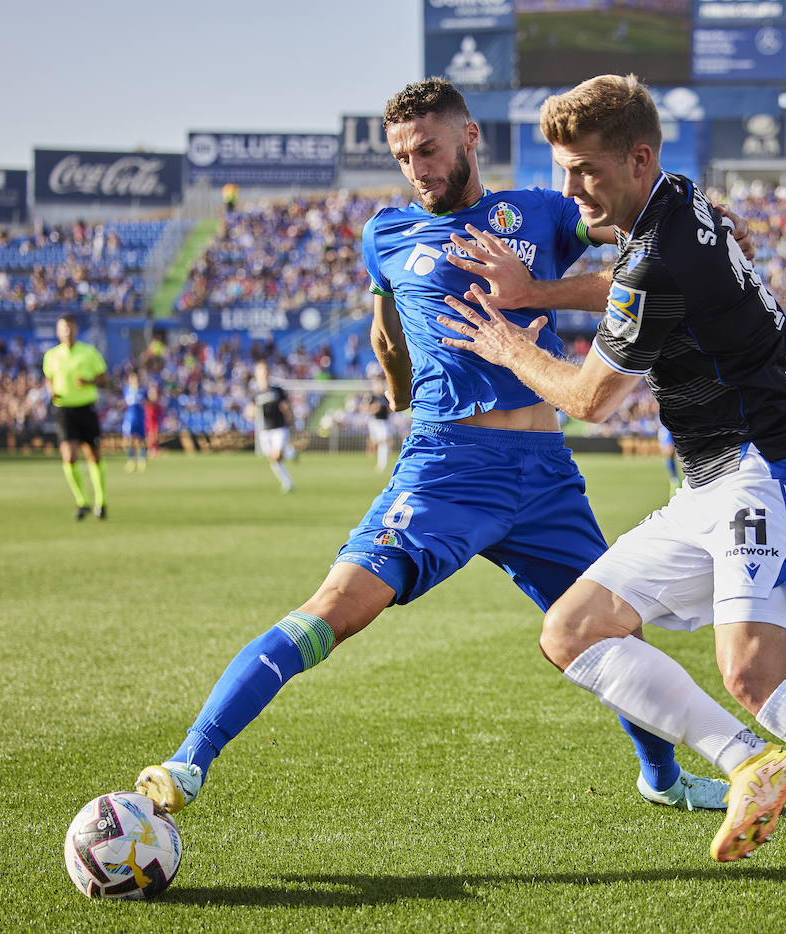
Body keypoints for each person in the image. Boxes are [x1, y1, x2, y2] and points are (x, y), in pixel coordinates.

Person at [437, 74, 786, 901]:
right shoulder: (677, 201)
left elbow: (589, 399)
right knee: (574, 631)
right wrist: (540, 291)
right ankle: (750, 761)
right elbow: (628, 285)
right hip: (710, 477)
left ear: (638, 158)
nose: (571, 189)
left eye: (586, 170)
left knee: (755, 669)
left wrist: (509, 340)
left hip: (763, 467)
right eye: (563, 169)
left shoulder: (661, 254)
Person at [132, 77, 725, 825]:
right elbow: (386, 335)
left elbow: (648, 253)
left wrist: (704, 230)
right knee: (337, 608)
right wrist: (398, 392)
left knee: (615, 630)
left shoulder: (540, 212)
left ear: (470, 137)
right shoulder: (386, 234)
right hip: (448, 468)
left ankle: (662, 778)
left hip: (545, 475)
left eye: (429, 149)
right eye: (404, 156)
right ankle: (188, 761)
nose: (417, 168)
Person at [42, 314, 109, 520]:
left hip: (86, 408)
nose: (67, 332)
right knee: (69, 456)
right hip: (64, 410)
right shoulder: (52, 355)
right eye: (64, 328)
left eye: (70, 328)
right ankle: (82, 502)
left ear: (76, 330)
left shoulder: (88, 352)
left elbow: (104, 379)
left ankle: (101, 501)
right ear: (58, 332)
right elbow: (48, 378)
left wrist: (89, 382)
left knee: (94, 455)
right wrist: (51, 390)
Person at [249, 360, 294, 492]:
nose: (264, 373)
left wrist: (289, 418)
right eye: (261, 371)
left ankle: (289, 455)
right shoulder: (256, 393)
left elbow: (285, 406)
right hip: (265, 430)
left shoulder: (277, 390)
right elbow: (251, 410)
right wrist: (251, 412)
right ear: (256, 374)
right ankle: (288, 480)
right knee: (274, 460)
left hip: (279, 428)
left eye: (265, 370)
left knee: (276, 456)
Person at [121, 370, 149, 473]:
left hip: (140, 417)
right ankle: (131, 460)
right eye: (132, 379)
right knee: (128, 439)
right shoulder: (126, 390)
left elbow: (150, 401)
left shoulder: (143, 391)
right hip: (129, 418)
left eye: (135, 379)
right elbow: (124, 403)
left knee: (141, 440)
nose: (134, 381)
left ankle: (142, 459)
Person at [365, 377, 394, 473]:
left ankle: (382, 463)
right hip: (374, 421)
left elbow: (391, 408)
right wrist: (374, 408)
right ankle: (373, 455)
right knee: (376, 442)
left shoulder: (385, 396)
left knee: (384, 442)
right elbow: (365, 408)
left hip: (384, 421)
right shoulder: (371, 397)